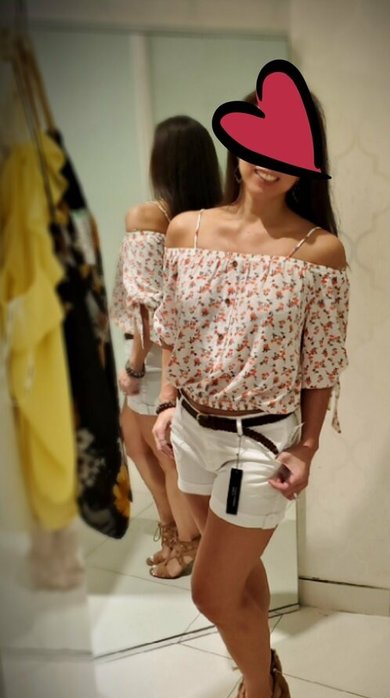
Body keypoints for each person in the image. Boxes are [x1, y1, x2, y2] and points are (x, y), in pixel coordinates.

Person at [152, 91, 350, 698]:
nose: (268, 162)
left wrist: (309, 444)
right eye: (258, 144)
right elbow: (172, 326)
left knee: (211, 591)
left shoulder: (319, 251)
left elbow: (321, 363)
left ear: (307, 162)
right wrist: (166, 401)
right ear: (237, 144)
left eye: (286, 150)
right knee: (238, 579)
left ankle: (262, 696)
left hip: (259, 443)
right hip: (192, 433)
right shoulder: (186, 230)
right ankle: (260, 670)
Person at [110, 115, 222, 578]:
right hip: (187, 353)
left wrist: (136, 365)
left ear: (161, 163)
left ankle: (187, 546)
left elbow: (146, 303)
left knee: (161, 453)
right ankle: (175, 533)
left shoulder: (148, 217)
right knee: (141, 443)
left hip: (155, 355)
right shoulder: (209, 218)